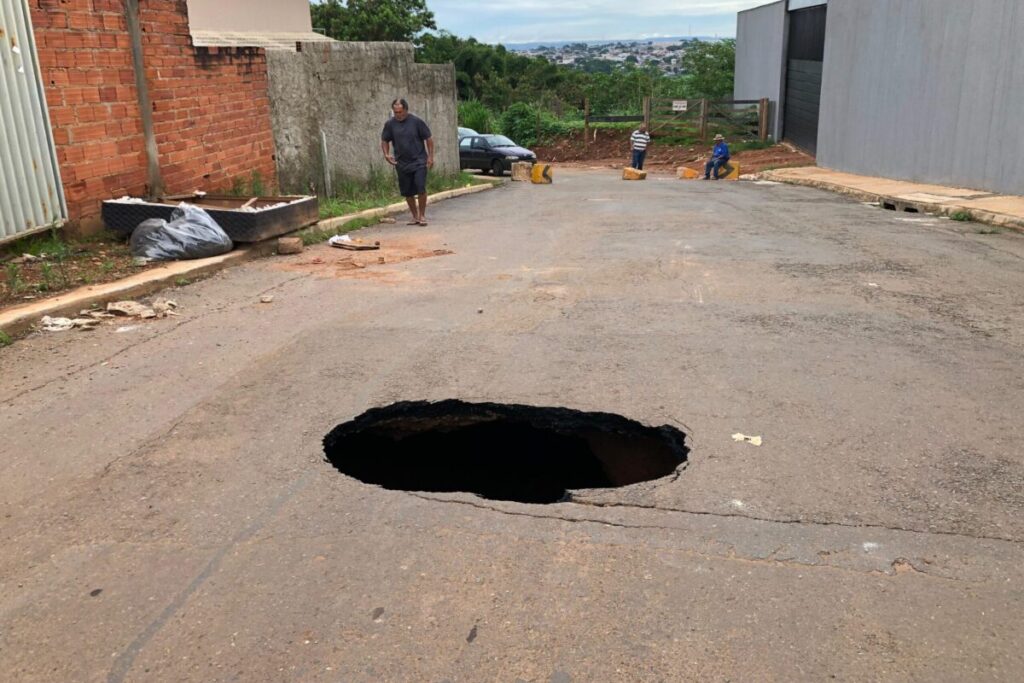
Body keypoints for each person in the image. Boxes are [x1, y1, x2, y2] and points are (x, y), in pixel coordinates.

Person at [381, 98, 435, 225]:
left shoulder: (416, 122)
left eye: (400, 112)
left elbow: (429, 138)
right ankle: (415, 216)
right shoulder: (390, 124)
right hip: (401, 162)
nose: (398, 115)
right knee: (407, 192)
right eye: (395, 112)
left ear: (406, 109)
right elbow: (384, 140)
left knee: (420, 187)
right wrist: (387, 154)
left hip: (419, 161)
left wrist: (430, 157)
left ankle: (422, 215)